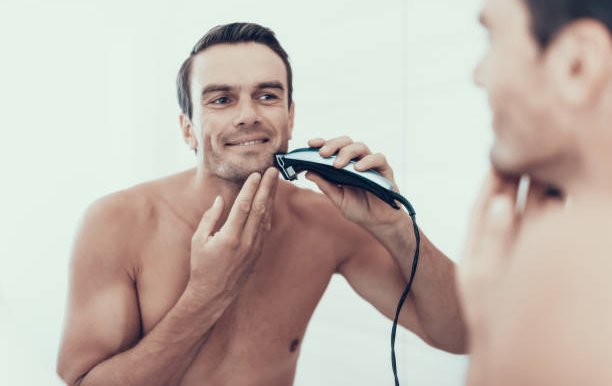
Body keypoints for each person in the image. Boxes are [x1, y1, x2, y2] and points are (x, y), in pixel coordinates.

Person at [56, 23, 466, 386]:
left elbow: (460, 335)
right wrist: (207, 293)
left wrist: (396, 229)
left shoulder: (328, 222)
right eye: (221, 100)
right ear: (188, 129)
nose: (248, 115)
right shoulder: (117, 222)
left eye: (266, 95)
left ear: (289, 116)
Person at [310, 0, 612, 384]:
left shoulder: (571, 265)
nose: (478, 75)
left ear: (578, 64)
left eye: (492, 39)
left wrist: (501, 327)